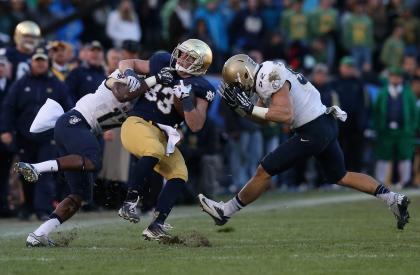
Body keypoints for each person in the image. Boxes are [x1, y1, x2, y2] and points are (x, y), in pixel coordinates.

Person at [199, 54, 410, 231]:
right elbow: (266, 120)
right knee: (341, 175)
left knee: (264, 171)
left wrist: (249, 108)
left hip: (313, 130)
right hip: (324, 124)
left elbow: (285, 114)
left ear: (243, 74)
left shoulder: (266, 76)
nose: (238, 89)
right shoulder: (264, 73)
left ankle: (225, 212)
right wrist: (241, 109)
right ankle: (393, 199)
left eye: (236, 84)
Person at [15, 59, 174, 247]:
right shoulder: (128, 76)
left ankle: (39, 234)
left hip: (81, 129)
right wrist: (154, 79)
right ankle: (36, 167)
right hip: (75, 122)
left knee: (78, 196)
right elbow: (122, 94)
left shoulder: (146, 96)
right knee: (93, 160)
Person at [118, 38, 215, 240]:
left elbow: (196, 125)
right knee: (153, 150)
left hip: (164, 135)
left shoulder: (202, 86)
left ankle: (157, 224)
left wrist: (187, 101)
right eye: (183, 53)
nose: (183, 58)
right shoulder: (162, 61)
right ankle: (129, 202)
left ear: (199, 64)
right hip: (138, 123)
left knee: (179, 173)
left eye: (190, 57)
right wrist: (129, 74)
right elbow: (129, 63)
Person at [1, 48, 72, 221]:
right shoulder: (20, 84)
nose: (40, 64)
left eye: (42, 60)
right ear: (31, 62)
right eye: (37, 60)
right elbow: (9, 108)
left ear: (47, 62)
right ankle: (27, 206)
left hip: (48, 138)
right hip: (25, 137)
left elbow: (69, 107)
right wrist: (5, 130)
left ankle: (42, 208)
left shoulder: (57, 84)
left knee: (45, 173)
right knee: (26, 173)